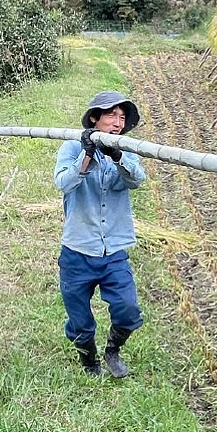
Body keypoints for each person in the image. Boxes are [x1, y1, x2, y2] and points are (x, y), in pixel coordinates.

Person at [53, 91, 146, 377]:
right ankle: (89, 359)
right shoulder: (72, 146)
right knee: (80, 320)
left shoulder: (126, 150)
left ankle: (112, 351)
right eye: (111, 116)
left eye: (121, 118)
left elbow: (137, 180)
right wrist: (88, 155)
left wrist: (117, 156)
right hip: (78, 251)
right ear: (94, 118)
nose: (117, 123)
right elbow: (63, 183)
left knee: (128, 309)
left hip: (113, 251)